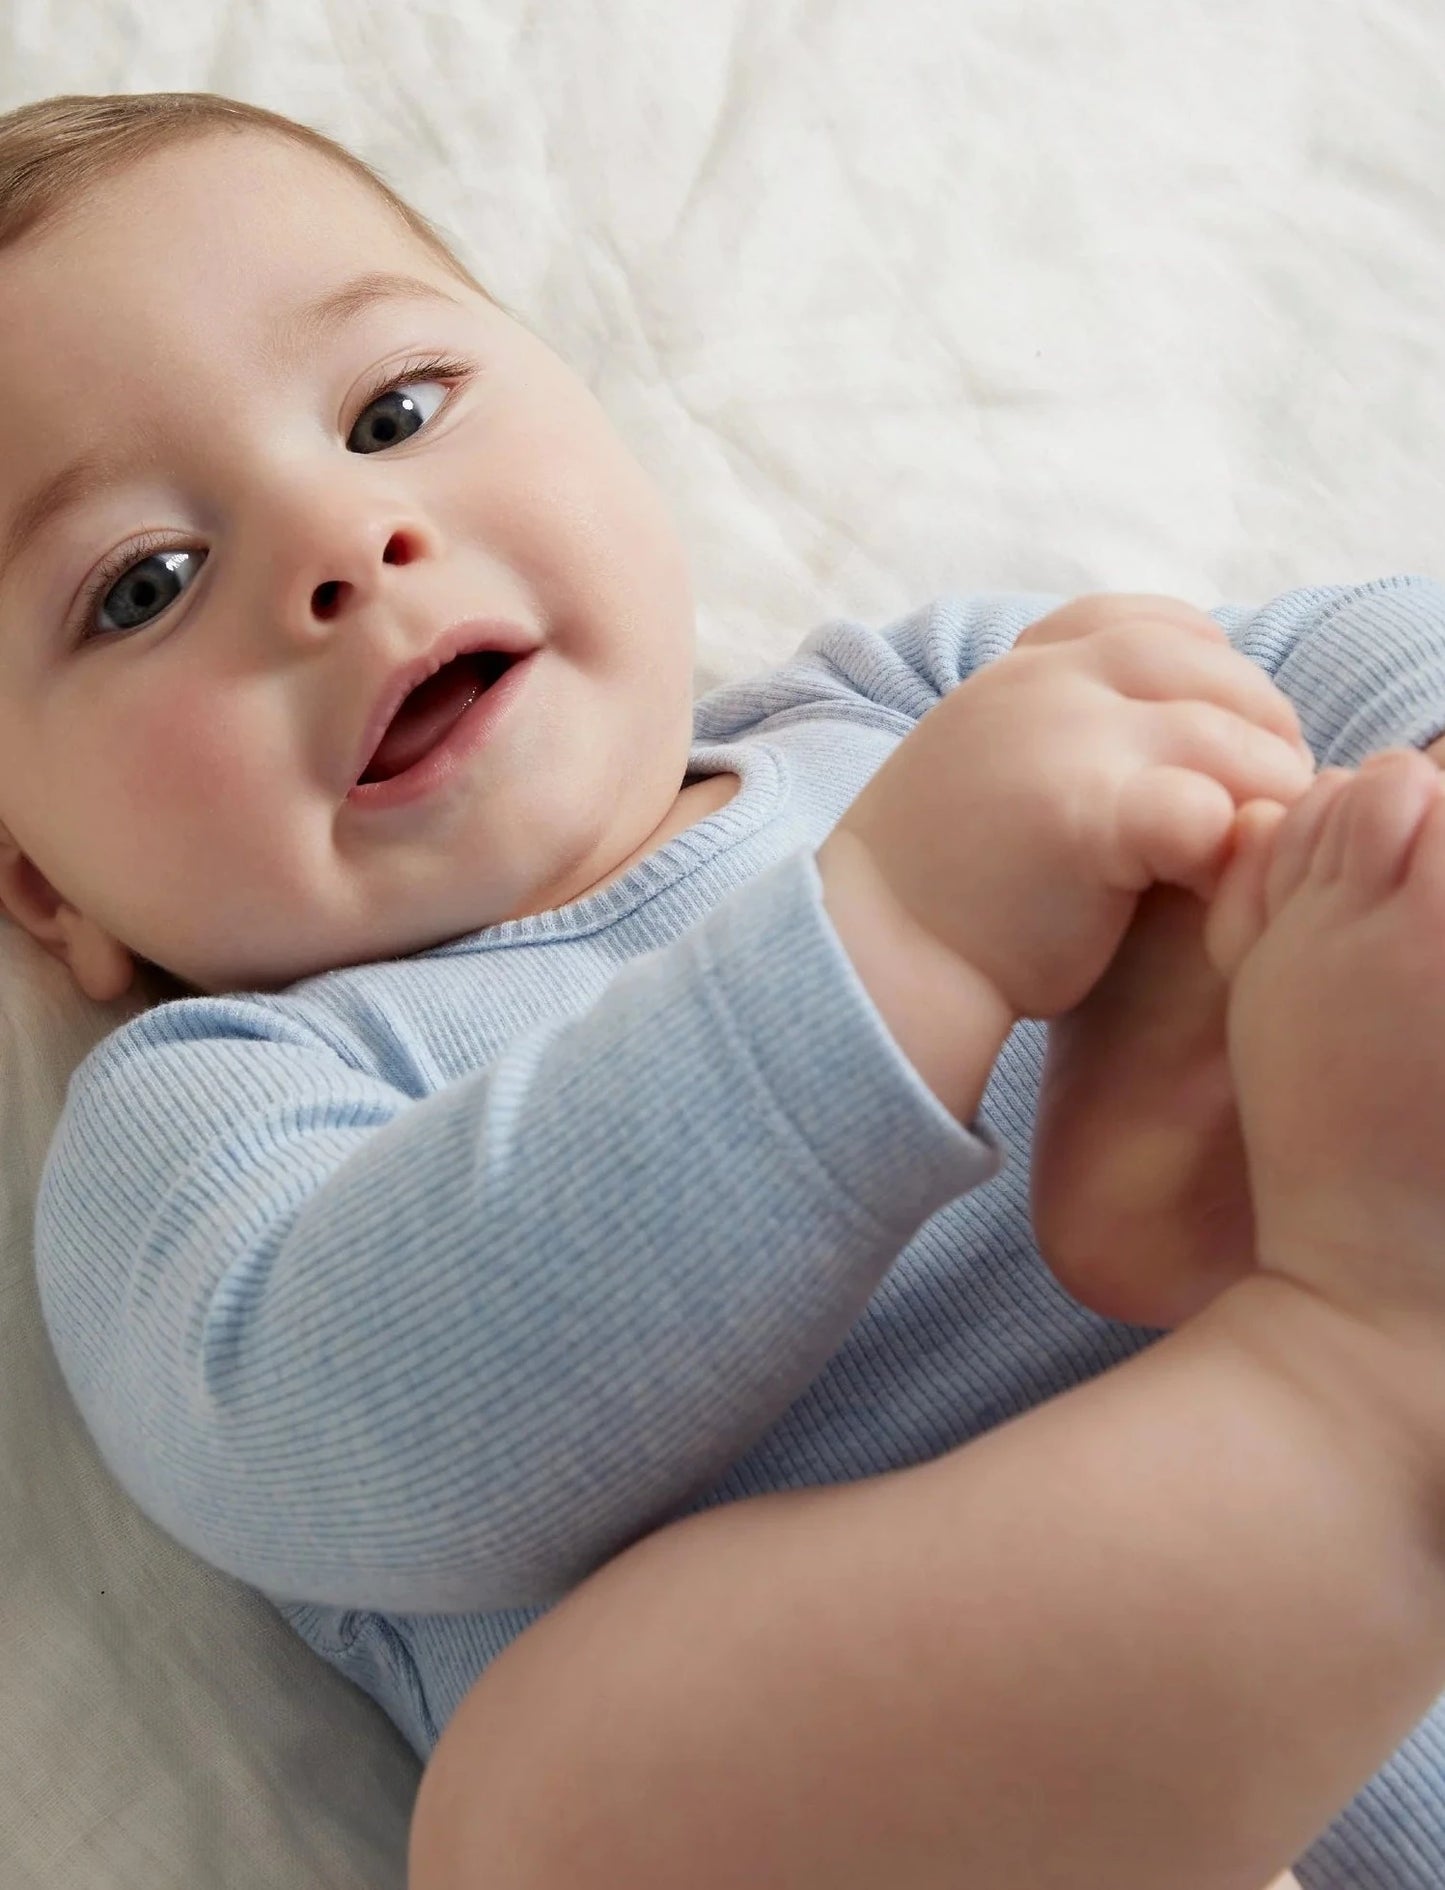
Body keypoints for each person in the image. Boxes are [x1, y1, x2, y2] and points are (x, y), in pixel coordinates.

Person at [3, 89, 1444, 1889]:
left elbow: (1318, 659)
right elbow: (395, 1431)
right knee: (552, 1815)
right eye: (142, 585)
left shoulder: (913, 701)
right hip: (984, 1804)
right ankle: (1365, 1391)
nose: (338, 544)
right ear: (44, 882)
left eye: (392, 413)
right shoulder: (214, 1100)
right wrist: (900, 937)